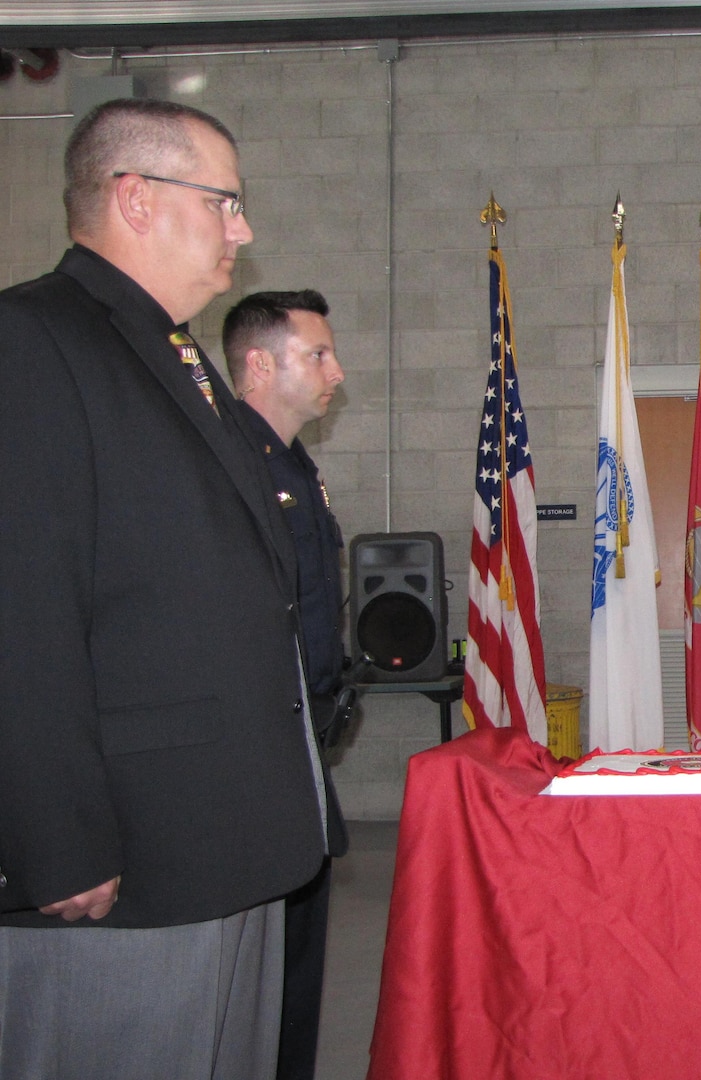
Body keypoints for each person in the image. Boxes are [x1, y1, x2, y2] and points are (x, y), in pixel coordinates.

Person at [0, 98, 328, 1080]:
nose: (245, 229)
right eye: (226, 202)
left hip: (226, 839)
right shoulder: (33, 342)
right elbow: (21, 609)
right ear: (135, 199)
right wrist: (56, 840)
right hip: (127, 862)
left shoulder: (175, 357)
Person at [222, 290, 348, 1080]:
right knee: (259, 981)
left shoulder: (295, 466)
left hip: (301, 746)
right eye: (318, 355)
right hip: (257, 758)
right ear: (260, 364)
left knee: (299, 969)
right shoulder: (230, 466)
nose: (338, 370)